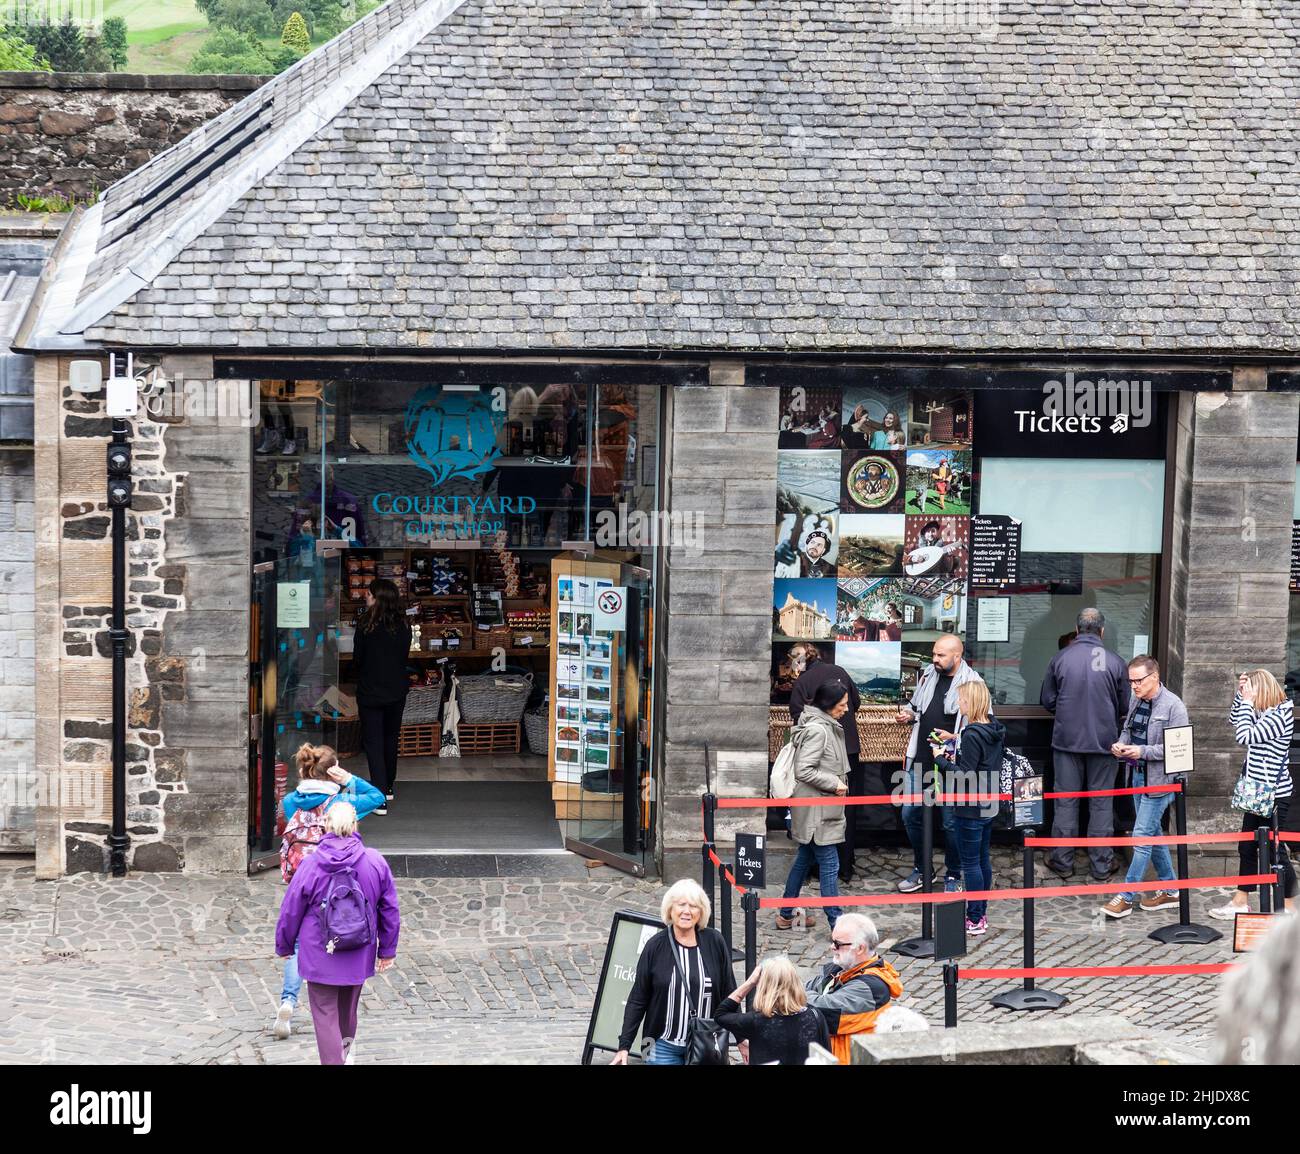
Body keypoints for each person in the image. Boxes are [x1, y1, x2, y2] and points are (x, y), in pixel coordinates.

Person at [273, 742, 386, 1040]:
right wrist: (349, 780)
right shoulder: (342, 805)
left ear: (303, 769)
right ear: (332, 771)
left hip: (302, 876)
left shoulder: (290, 801)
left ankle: (287, 1000)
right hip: (338, 880)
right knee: (339, 928)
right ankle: (339, 990)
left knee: (300, 943)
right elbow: (377, 797)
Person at [274, 802, 400, 1065]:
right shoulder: (375, 861)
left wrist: (285, 945)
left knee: (324, 1012)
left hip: (320, 950)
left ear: (326, 826)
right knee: (348, 1009)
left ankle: (335, 1061)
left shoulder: (311, 865)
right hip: (359, 948)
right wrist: (387, 950)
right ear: (355, 824)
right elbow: (389, 908)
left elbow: (291, 909)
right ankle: (345, 1053)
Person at [1038, 608, 1130, 879]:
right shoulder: (1115, 661)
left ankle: (1063, 862)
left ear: (1077, 630)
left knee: (1065, 802)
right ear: (1101, 631)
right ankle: (1101, 865)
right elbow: (1125, 705)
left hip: (1067, 741)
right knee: (1102, 804)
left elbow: (1048, 700)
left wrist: (1068, 712)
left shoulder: (1061, 657)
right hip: (1105, 743)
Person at [1100, 657, 1191, 919]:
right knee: (1152, 833)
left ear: (1154, 677)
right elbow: (1129, 730)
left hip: (1162, 781)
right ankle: (1170, 889)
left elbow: (1176, 750)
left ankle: (1126, 897)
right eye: (1131, 681)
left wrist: (1141, 751)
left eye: (1138, 680)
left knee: (1141, 836)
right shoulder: (1136, 700)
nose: (1134, 686)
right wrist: (1121, 744)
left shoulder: (1174, 706)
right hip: (1137, 775)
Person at [613, 879, 737, 1065]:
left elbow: (730, 993)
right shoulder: (655, 946)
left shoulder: (715, 941)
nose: (687, 911)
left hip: (706, 1044)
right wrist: (624, 1046)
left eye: (694, 906)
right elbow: (638, 998)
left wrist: (742, 1039)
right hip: (659, 1045)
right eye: (681, 905)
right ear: (670, 909)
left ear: (701, 912)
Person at [894, 634, 982, 892]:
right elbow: (916, 707)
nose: (935, 659)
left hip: (950, 766)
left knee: (950, 822)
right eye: (934, 654)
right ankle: (923, 869)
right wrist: (908, 715)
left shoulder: (973, 683)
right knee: (910, 814)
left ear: (957, 656)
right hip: (920, 759)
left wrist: (955, 737)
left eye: (940, 655)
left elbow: (983, 727)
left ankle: (954, 873)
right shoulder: (928, 677)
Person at [1208, 669, 1296, 920]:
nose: (1248, 696)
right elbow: (1235, 720)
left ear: (1263, 690)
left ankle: (1290, 908)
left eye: (1250, 691)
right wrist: (1240, 696)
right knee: (1246, 846)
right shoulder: (1263, 710)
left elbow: (1245, 735)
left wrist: (1247, 702)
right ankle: (1240, 900)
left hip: (1275, 796)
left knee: (1276, 853)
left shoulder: (1280, 715)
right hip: (1256, 793)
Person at [778, 681, 852, 928]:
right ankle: (838, 925)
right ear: (829, 705)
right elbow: (804, 770)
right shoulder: (820, 731)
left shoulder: (822, 725)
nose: (846, 709)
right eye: (842, 705)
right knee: (830, 865)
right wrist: (834, 783)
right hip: (819, 812)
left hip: (819, 810)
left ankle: (785, 914)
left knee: (803, 860)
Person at [789, 643, 863, 882]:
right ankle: (845, 865)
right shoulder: (840, 671)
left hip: (821, 753)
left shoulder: (802, 682)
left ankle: (820, 868)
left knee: (819, 811)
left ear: (798, 661)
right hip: (847, 748)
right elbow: (857, 702)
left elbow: (797, 716)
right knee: (846, 810)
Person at [935, 680, 1005, 935]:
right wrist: (955, 738)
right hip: (988, 802)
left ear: (971, 702)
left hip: (970, 805)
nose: (958, 703)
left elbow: (964, 775)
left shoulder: (972, 733)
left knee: (971, 864)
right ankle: (981, 913)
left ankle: (974, 918)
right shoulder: (994, 729)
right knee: (983, 860)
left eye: (962, 699)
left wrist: (940, 760)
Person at [804, 913, 903, 1064]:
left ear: (860, 948)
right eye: (832, 941)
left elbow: (821, 1010)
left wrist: (789, 992)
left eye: (837, 944)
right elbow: (807, 989)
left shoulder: (870, 988)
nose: (832, 947)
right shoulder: (839, 968)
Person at [353, 577, 411, 809]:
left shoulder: (366, 625)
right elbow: (404, 657)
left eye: (369, 594)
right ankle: (387, 786)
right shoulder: (403, 625)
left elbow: (358, 659)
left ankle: (378, 797)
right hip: (396, 690)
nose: (365, 596)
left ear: (377, 598)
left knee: (373, 742)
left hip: (370, 691)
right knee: (390, 738)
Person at [715, 957, 831, 1065]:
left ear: (763, 987)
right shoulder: (815, 1016)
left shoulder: (756, 1021)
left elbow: (721, 1014)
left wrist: (750, 983)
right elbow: (826, 1057)